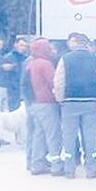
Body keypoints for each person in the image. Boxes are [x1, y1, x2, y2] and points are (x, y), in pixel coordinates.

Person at [54, 33, 96, 179]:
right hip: (90, 102)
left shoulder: (65, 59)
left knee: (69, 137)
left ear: (75, 43)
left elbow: (59, 81)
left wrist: (60, 99)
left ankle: (69, 169)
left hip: (70, 102)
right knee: (89, 137)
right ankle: (91, 169)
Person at [22, 38, 62, 175]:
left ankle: (36, 164)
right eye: (48, 48)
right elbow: (53, 83)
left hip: (34, 104)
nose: (51, 50)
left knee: (38, 134)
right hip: (47, 103)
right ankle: (56, 165)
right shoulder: (45, 64)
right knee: (53, 135)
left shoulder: (30, 63)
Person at [3, 36, 30, 111]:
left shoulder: (26, 58)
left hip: (23, 88)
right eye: (21, 45)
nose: (23, 48)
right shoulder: (8, 57)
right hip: (12, 89)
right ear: (16, 45)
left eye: (25, 46)